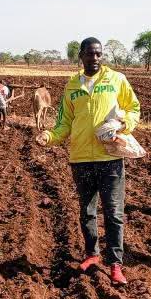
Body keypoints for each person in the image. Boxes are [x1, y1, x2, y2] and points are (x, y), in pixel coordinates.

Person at [35, 37, 140, 286]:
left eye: (98, 54)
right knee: (87, 211)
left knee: (113, 213)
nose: (95, 58)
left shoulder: (116, 80)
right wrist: (49, 136)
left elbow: (133, 108)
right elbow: (64, 123)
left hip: (110, 157)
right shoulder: (72, 85)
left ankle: (115, 264)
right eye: (90, 54)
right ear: (80, 56)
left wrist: (124, 124)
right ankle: (92, 254)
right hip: (81, 159)